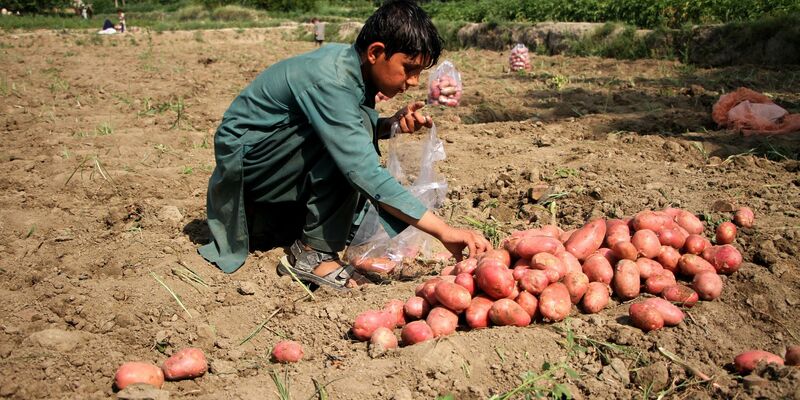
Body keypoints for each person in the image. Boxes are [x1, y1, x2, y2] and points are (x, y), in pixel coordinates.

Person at [199, 0, 491, 289]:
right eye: (409, 68)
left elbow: (344, 125)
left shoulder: (352, 68)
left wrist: (389, 125)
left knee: (358, 133)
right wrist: (444, 230)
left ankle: (335, 234)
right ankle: (312, 254)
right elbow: (361, 167)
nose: (413, 82)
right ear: (376, 52)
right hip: (250, 175)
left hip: (272, 167)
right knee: (353, 150)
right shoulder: (334, 80)